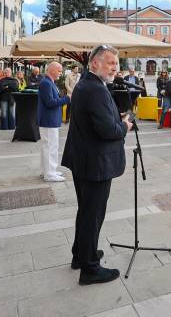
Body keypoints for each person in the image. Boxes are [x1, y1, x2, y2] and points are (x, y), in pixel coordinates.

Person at [61, 45, 132, 285]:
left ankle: (81, 255)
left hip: (85, 160)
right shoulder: (95, 89)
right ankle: (90, 268)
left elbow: (97, 121)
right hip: (95, 164)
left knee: (86, 212)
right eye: (111, 63)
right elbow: (108, 130)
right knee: (93, 214)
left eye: (116, 64)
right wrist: (124, 126)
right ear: (94, 64)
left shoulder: (86, 84)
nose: (115, 68)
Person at [38, 62, 71, 182]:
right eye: (59, 70)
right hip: (48, 120)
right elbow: (50, 102)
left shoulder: (49, 82)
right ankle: (50, 174)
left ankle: (47, 170)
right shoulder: (46, 83)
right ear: (52, 70)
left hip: (49, 120)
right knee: (50, 147)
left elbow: (52, 100)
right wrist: (66, 99)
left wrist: (61, 98)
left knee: (48, 146)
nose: (61, 73)